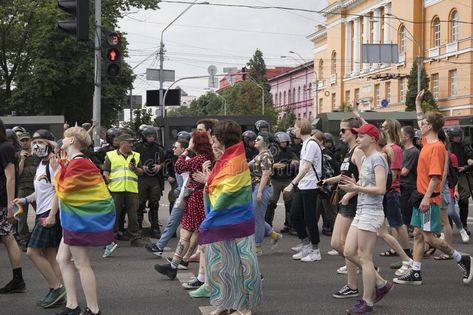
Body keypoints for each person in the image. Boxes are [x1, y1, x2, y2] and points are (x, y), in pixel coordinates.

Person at [393, 90, 472, 286]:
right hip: (421, 197)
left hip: (429, 199)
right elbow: (421, 119)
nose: (421, 126)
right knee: (419, 234)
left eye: (424, 124)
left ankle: (462, 258)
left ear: (430, 127)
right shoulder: (428, 141)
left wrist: (427, 198)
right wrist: (418, 103)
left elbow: (436, 177)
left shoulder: (436, 147)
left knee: (429, 238)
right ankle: (416, 273)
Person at [199, 120, 262, 315]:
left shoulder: (234, 159)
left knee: (243, 265)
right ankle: (225, 303)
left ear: (219, 138)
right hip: (223, 219)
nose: (211, 142)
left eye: (213, 138)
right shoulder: (227, 157)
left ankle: (244, 307)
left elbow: (227, 194)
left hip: (234, 220)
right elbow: (219, 187)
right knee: (222, 266)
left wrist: (207, 222)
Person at [55, 127, 116, 315]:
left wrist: (56, 171)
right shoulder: (73, 162)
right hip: (73, 219)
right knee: (62, 258)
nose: (62, 141)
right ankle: (72, 305)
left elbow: (64, 191)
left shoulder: (79, 163)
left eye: (65, 138)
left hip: (78, 221)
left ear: (72, 140)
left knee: (82, 263)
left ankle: (93, 309)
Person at [339, 123, 393, 314]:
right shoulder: (368, 158)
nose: (358, 138)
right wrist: (355, 185)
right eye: (357, 135)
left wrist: (356, 188)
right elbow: (366, 182)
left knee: (365, 257)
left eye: (361, 136)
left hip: (371, 212)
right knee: (348, 251)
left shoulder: (378, 159)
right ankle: (380, 283)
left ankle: (367, 301)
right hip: (362, 210)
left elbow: (380, 189)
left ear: (372, 138)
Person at [14, 129, 65, 308]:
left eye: (41, 141)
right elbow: (42, 191)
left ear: (50, 144)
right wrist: (25, 199)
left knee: (32, 252)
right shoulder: (41, 164)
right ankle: (59, 291)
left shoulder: (54, 164)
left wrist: (51, 215)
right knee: (50, 254)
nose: (36, 145)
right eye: (35, 142)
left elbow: (59, 191)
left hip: (49, 214)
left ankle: (56, 288)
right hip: (42, 213)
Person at [154, 131, 214, 280]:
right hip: (200, 197)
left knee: (190, 231)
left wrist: (185, 151)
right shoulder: (208, 157)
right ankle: (175, 264)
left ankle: (180, 265)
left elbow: (179, 167)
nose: (190, 143)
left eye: (192, 141)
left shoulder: (198, 159)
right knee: (190, 232)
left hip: (196, 198)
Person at [321, 117, 364, 299]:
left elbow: (366, 178)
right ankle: (365, 269)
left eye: (343, 130)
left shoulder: (359, 152)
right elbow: (345, 174)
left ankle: (358, 280)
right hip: (346, 201)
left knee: (342, 245)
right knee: (337, 244)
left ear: (354, 132)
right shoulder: (349, 151)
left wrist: (348, 195)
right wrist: (327, 180)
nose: (340, 134)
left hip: (353, 203)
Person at [284, 118, 322, 262]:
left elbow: (306, 168)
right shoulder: (306, 144)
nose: (294, 131)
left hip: (311, 186)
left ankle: (315, 250)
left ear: (301, 129)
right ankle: (306, 244)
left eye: (295, 128)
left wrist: (292, 184)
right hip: (304, 185)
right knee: (294, 214)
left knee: (309, 218)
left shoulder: (311, 144)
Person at [102, 133, 145, 257]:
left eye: (132, 142)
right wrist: (107, 183)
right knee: (114, 214)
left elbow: (141, 171)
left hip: (131, 189)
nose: (132, 144)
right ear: (122, 143)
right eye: (129, 142)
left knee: (133, 214)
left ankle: (135, 238)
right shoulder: (110, 155)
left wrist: (135, 169)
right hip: (115, 189)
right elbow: (106, 171)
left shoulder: (136, 156)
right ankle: (110, 239)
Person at [145, 139, 189, 256]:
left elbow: (187, 182)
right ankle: (162, 247)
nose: (173, 149)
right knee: (178, 225)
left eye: (176, 147)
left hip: (185, 198)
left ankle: (168, 251)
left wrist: (180, 192)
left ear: (184, 149)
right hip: (183, 197)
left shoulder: (186, 162)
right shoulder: (179, 160)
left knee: (182, 226)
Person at [378, 119, 411, 259]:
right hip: (386, 191)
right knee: (392, 224)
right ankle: (400, 252)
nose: (381, 128)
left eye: (384, 126)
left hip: (391, 191)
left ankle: (406, 254)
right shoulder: (386, 147)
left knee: (398, 224)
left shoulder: (395, 149)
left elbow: (395, 173)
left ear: (389, 129)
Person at [0, 119, 25, 294]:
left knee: (8, 237)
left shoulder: (5, 148)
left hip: (2, 201)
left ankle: (18, 279)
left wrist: (10, 205)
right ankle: (18, 279)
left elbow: (11, 177)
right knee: (8, 237)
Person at [250, 131, 282, 255]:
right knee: (255, 216)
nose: (255, 140)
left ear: (265, 142)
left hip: (262, 187)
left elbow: (266, 174)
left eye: (258, 139)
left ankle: (257, 246)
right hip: (257, 187)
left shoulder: (266, 156)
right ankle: (274, 235)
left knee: (257, 218)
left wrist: (260, 191)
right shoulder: (260, 155)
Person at [133, 126, 165, 239]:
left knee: (154, 203)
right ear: (144, 136)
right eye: (149, 136)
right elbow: (132, 161)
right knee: (140, 203)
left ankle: (155, 227)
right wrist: (142, 167)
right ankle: (138, 228)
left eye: (153, 136)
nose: (151, 138)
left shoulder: (159, 148)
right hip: (141, 178)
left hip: (154, 179)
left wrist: (160, 166)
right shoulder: (136, 148)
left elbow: (167, 160)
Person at [266, 131, 298, 233]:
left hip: (287, 179)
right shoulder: (271, 150)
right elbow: (265, 162)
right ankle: (267, 226)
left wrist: (294, 162)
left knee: (289, 204)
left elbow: (297, 161)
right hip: (275, 180)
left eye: (286, 142)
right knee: (271, 204)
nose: (285, 143)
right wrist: (273, 165)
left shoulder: (289, 151)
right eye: (283, 142)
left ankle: (290, 225)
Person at [16, 132, 40, 250]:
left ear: (30, 140)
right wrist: (22, 159)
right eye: (22, 140)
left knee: (41, 213)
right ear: (19, 142)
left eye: (26, 140)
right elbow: (17, 174)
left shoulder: (37, 154)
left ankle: (36, 236)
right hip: (22, 188)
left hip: (36, 189)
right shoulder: (17, 155)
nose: (25, 142)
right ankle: (24, 239)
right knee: (21, 216)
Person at [449, 126, 473, 236]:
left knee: (463, 200)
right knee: (448, 200)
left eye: (459, 136)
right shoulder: (447, 146)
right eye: (455, 136)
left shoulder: (465, 146)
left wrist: (466, 167)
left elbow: (470, 159)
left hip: (462, 174)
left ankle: (464, 224)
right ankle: (448, 226)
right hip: (450, 174)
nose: (457, 138)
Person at [399, 126, 419, 230]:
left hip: (408, 187)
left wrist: (393, 169)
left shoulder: (413, 152)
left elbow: (405, 171)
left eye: (400, 133)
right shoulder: (402, 150)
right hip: (401, 186)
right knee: (402, 217)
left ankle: (404, 244)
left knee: (405, 220)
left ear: (406, 136)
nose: (399, 136)